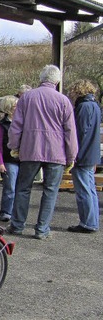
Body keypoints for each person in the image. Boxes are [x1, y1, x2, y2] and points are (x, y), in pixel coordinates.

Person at [7, 65, 78, 240]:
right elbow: (70, 131)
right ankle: (42, 229)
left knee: (23, 189)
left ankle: (17, 225)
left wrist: (14, 146)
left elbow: (16, 126)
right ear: (57, 81)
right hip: (56, 152)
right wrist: (71, 156)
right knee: (50, 191)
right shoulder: (63, 101)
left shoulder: (27, 98)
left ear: (41, 78)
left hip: (31, 149)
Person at [66, 79, 100, 233]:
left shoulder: (84, 107)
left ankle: (87, 222)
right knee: (90, 189)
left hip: (83, 154)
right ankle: (92, 221)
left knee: (84, 190)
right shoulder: (95, 105)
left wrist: (73, 154)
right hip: (91, 152)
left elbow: (79, 133)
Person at [0, 95, 19, 222]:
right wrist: (0, 163)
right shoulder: (1, 126)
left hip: (23, 160)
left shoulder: (23, 123)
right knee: (10, 188)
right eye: (15, 105)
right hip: (9, 161)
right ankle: (6, 212)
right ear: (9, 108)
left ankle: (17, 213)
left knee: (21, 189)